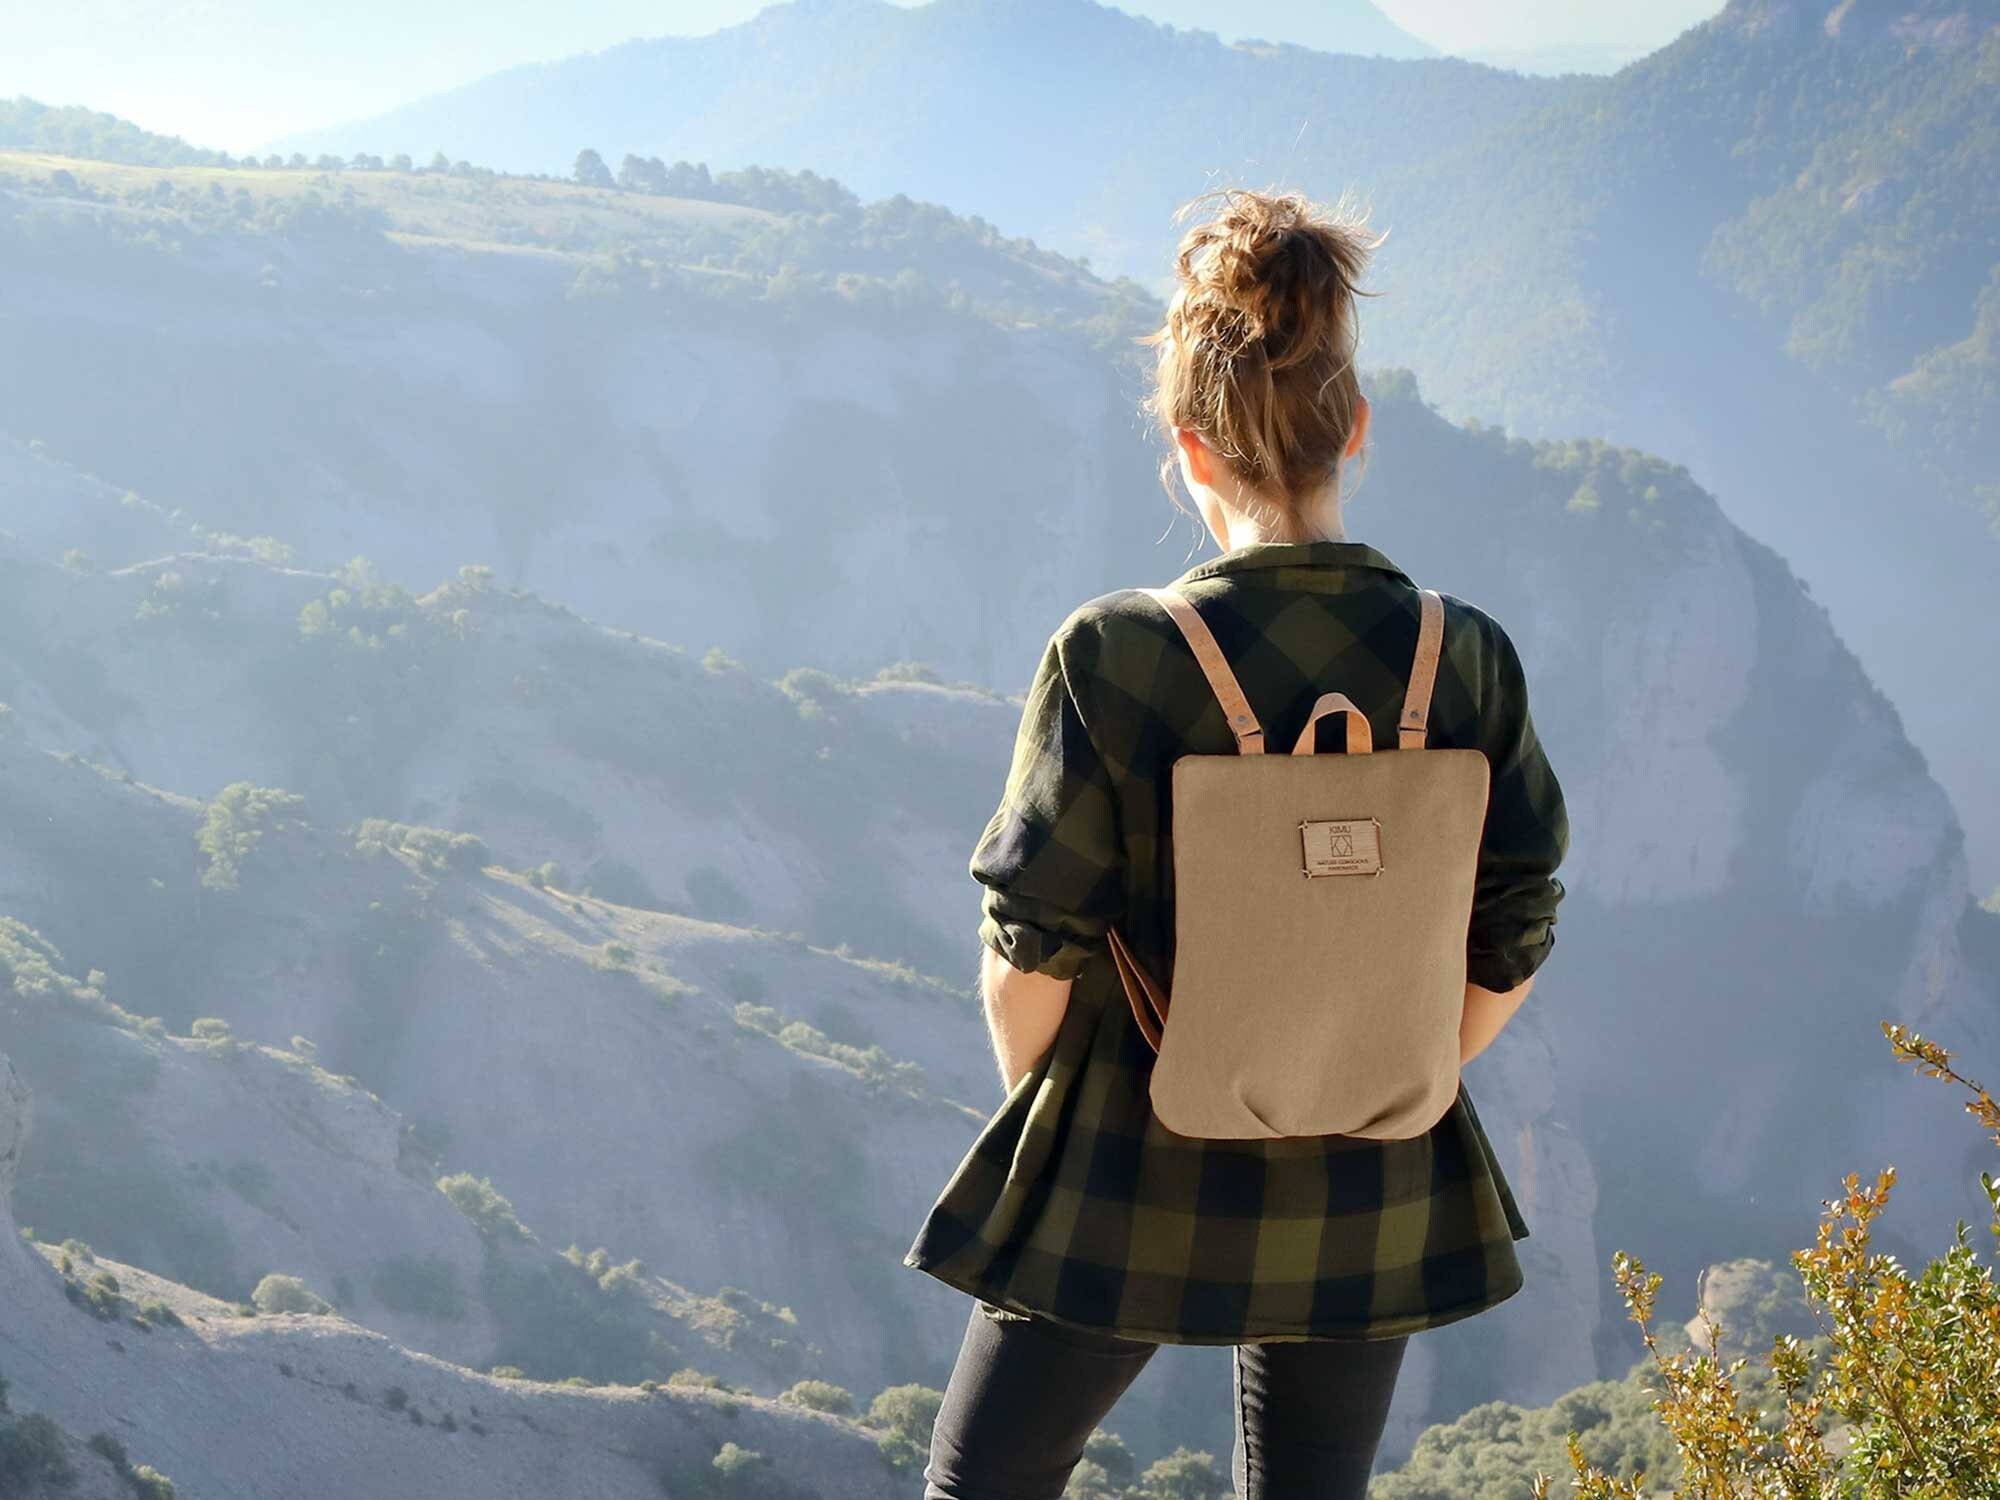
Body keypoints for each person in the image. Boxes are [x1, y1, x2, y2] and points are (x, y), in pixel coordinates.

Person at [902, 187, 1570, 1500]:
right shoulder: (1462, 656)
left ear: (1188, 451)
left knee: (982, 1488)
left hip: (1129, 1158)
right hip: (1373, 1163)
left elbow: (1028, 950)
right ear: (1357, 428)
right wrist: (1382, 1066)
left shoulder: (1117, 656)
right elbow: (1518, 920)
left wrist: (1065, 1113)